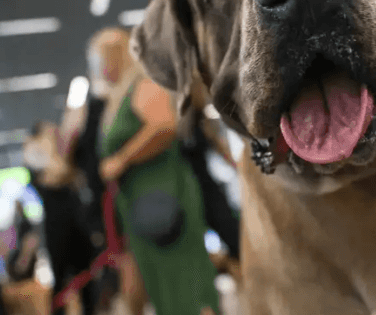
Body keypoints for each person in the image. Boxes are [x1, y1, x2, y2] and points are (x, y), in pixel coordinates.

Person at [94, 27, 219, 315]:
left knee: (186, 285)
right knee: (166, 287)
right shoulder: (120, 94)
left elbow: (164, 126)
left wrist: (121, 160)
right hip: (141, 204)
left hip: (164, 196)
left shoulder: (142, 83)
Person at [22, 121, 103, 315]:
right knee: (59, 278)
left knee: (86, 277)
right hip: (56, 226)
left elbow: (71, 174)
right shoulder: (35, 154)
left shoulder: (64, 153)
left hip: (77, 223)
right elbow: (58, 175)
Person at [180, 76, 242, 274]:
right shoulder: (178, 124)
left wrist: (239, 168)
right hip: (188, 191)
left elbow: (220, 147)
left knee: (233, 236)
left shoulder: (202, 119)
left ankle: (240, 272)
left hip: (207, 187)